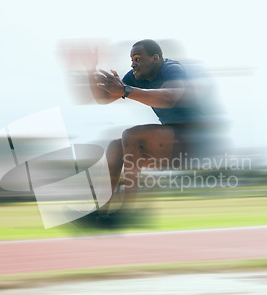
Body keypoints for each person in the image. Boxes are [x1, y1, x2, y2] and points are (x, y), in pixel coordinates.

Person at [82, 39, 206, 227]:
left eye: (138, 58)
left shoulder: (171, 69)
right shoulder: (135, 76)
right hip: (171, 142)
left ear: (155, 58)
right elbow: (104, 98)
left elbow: (170, 98)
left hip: (194, 140)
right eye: (131, 59)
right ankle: (101, 213)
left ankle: (126, 212)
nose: (133, 64)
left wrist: (126, 90)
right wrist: (91, 70)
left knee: (132, 135)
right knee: (116, 148)